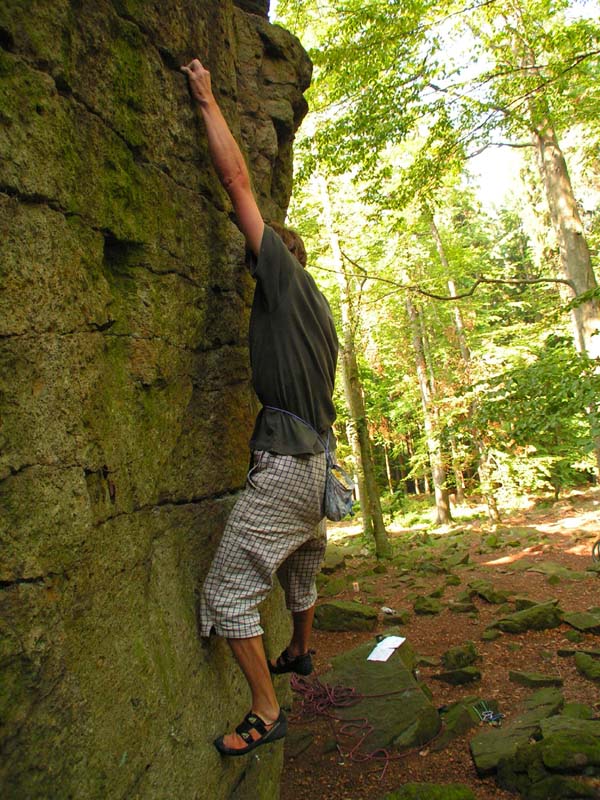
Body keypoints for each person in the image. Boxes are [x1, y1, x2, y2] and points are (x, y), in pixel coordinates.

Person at [180, 58, 338, 757]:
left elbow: (237, 182)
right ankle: (300, 648)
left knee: (229, 593)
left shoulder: (280, 276)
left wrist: (208, 98)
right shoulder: (322, 314)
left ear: (275, 259)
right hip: (321, 467)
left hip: (289, 465)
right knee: (304, 555)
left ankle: (266, 708)